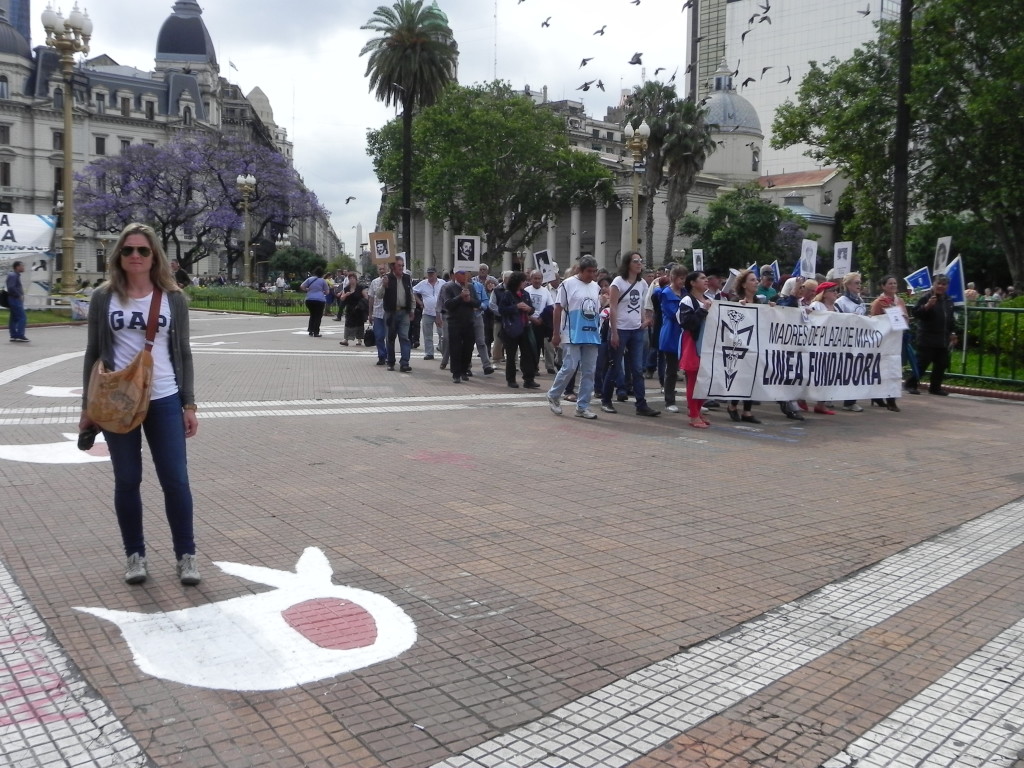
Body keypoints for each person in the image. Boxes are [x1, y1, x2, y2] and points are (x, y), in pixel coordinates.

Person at [79, 223, 200, 586]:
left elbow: (184, 354)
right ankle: (135, 555)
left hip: (164, 398)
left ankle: (186, 556)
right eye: (128, 250)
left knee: (176, 481)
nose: (135, 256)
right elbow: (92, 353)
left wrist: (189, 403)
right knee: (127, 480)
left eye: (142, 251)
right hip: (118, 402)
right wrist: (88, 406)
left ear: (154, 256)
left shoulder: (172, 298)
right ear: (119, 256)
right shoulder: (104, 297)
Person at [601, 252, 659, 417]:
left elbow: (643, 304)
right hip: (620, 329)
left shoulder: (641, 284)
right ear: (627, 264)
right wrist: (614, 332)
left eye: (640, 261)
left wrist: (644, 320)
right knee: (615, 365)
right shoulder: (618, 282)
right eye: (635, 261)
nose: (639, 263)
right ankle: (606, 400)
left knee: (637, 368)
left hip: (636, 330)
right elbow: (612, 307)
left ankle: (641, 404)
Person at [547, 256, 601, 419]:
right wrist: (556, 333)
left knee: (589, 371)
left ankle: (583, 406)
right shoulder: (567, 284)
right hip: (572, 332)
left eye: (594, 271)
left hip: (591, 334)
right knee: (570, 366)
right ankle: (554, 394)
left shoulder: (596, 287)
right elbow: (558, 309)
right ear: (580, 270)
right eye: (589, 271)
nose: (592, 275)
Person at [906, 273, 956, 396]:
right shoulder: (926, 297)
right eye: (938, 283)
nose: (941, 286)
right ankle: (910, 384)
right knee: (922, 363)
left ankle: (935, 387)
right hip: (927, 338)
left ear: (947, 286)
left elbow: (950, 319)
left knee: (941, 364)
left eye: (944, 284)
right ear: (933, 284)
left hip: (942, 338)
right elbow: (916, 313)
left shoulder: (948, 300)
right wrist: (927, 306)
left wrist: (953, 333)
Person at [869, 275, 909, 412]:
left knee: (894, 370)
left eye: (895, 283)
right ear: (883, 286)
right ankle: (878, 396)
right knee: (881, 369)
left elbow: (906, 319)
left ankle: (891, 399)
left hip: (896, 341)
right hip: (883, 342)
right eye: (890, 283)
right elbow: (874, 322)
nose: (893, 285)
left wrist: (903, 317)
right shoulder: (879, 302)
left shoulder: (900, 301)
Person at [678, 271, 712, 428]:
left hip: (707, 343)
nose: (706, 280)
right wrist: (702, 310)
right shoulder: (687, 300)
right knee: (694, 379)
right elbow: (687, 323)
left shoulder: (708, 300)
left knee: (704, 380)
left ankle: (697, 411)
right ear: (692, 283)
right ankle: (693, 415)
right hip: (693, 342)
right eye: (702, 278)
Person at [496, 271, 539, 389]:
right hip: (511, 329)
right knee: (511, 355)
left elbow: (531, 309)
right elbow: (501, 310)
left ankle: (529, 379)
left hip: (525, 327)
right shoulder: (507, 294)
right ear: (517, 282)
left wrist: (529, 308)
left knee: (527, 354)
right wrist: (516, 307)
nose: (525, 283)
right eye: (523, 281)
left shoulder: (525, 294)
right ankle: (511, 379)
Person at [375, 256, 414, 372]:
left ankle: (405, 363)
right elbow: (379, 295)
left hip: (404, 312)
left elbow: (411, 295)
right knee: (390, 338)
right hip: (391, 313)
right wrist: (384, 285)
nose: (401, 268)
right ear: (393, 267)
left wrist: (412, 309)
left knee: (404, 337)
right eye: (399, 266)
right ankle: (391, 362)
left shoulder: (407, 278)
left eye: (402, 266)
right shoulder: (387, 278)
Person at [439, 267, 477, 383]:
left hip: (469, 321)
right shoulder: (448, 287)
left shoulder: (470, 286)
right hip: (454, 321)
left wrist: (469, 299)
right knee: (455, 348)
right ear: (455, 275)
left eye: (466, 273)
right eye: (461, 273)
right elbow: (448, 304)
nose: (464, 275)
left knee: (468, 348)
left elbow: (477, 303)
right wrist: (460, 297)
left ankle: (464, 370)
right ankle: (456, 373)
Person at [835, 272, 866, 412]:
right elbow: (837, 320)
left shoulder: (861, 301)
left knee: (855, 370)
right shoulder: (841, 302)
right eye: (856, 283)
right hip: (844, 341)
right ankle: (828, 397)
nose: (859, 285)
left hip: (857, 340)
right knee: (840, 370)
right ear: (847, 285)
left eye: (860, 282)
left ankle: (850, 401)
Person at [658, 266, 686, 413]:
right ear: (674, 278)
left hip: (684, 334)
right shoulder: (666, 293)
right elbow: (673, 314)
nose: (683, 281)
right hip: (671, 333)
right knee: (672, 369)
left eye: (684, 278)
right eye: (681, 278)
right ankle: (669, 400)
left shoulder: (685, 292)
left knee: (688, 369)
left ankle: (693, 400)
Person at [524, 269, 554, 374]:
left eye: (539, 278)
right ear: (531, 279)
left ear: (542, 280)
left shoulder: (546, 291)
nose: (537, 280)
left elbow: (550, 307)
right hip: (528, 322)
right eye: (535, 278)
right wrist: (530, 318)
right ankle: (531, 367)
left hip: (541, 323)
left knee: (539, 345)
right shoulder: (526, 290)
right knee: (530, 346)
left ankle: (539, 366)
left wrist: (541, 319)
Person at [413, 266, 445, 360]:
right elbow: (413, 291)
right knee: (428, 334)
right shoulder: (423, 283)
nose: (430, 275)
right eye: (429, 273)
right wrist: (419, 302)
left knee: (442, 334)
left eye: (432, 273)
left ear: (436, 274)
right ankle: (429, 353)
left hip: (440, 312)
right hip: (427, 312)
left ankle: (443, 350)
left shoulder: (442, 283)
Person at [367, 264, 388, 365]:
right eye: (380, 269)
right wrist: (370, 314)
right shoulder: (374, 282)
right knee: (379, 336)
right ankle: (381, 356)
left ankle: (389, 356)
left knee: (389, 336)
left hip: (389, 313)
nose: (382, 270)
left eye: (383, 268)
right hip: (377, 313)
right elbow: (371, 298)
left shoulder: (391, 280)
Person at [338, 272, 367, 346]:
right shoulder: (346, 288)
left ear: (356, 279)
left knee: (359, 324)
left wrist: (364, 304)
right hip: (350, 308)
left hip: (358, 308)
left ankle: (359, 339)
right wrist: (346, 295)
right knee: (348, 323)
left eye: (353, 278)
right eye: (350, 279)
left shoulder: (360, 287)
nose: (351, 280)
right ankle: (346, 339)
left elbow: (366, 297)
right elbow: (342, 298)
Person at [299, 267, 329, 338]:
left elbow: (302, 286)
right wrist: (322, 291)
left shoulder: (310, 279)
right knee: (318, 316)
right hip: (320, 300)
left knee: (312, 315)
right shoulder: (323, 281)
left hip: (309, 299)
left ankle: (310, 330)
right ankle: (316, 332)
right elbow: (327, 292)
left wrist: (307, 289)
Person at [6, 260, 28, 342]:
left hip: (13, 298)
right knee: (22, 317)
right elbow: (11, 288)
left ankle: (14, 335)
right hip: (15, 299)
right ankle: (20, 335)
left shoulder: (15, 275)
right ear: (17, 267)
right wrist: (18, 295)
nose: (23, 267)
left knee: (14, 318)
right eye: (22, 266)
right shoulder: (13, 275)